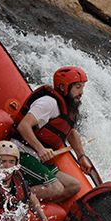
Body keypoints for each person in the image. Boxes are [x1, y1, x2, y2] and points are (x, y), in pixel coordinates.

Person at [11, 66, 93, 204]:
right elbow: (23, 126)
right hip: (21, 153)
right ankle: (11, 200)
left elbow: (71, 133)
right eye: (78, 87)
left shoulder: (67, 107)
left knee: (74, 185)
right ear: (62, 87)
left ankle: (34, 209)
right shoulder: (48, 103)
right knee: (55, 188)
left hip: (36, 159)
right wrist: (40, 148)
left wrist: (81, 156)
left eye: (83, 87)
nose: (81, 92)